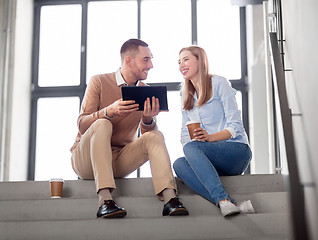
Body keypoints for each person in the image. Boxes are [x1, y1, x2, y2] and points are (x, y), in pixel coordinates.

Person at [70, 39, 188, 218]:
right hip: (86, 160)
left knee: (155, 135)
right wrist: (109, 111)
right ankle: (105, 201)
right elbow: (82, 124)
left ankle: (170, 199)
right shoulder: (99, 81)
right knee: (103, 123)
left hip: (118, 160)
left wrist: (148, 119)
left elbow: (148, 140)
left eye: (151, 60)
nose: (151, 65)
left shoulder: (144, 90)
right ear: (128, 61)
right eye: (146, 60)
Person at [173, 46, 255, 217]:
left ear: (200, 60)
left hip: (236, 151)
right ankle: (226, 202)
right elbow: (184, 134)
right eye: (179, 61)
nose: (181, 64)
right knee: (179, 164)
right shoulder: (185, 93)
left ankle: (224, 200)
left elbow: (236, 127)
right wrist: (194, 160)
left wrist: (209, 138)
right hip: (209, 158)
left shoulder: (219, 83)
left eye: (186, 59)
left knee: (191, 148)